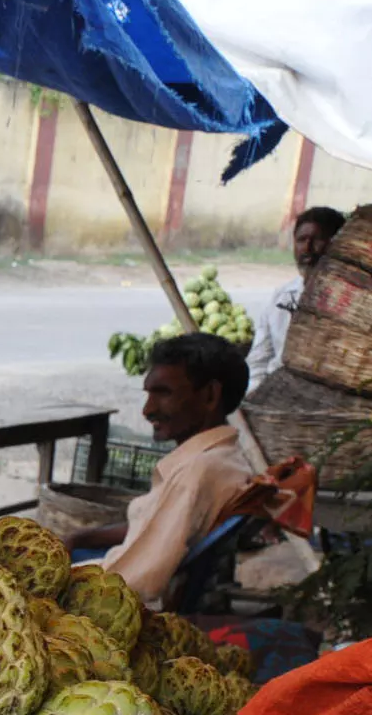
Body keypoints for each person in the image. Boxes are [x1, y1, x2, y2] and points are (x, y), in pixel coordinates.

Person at [66, 333, 269, 608]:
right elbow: (152, 525)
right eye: (149, 394)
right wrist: (80, 537)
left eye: (164, 393)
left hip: (114, 595)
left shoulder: (197, 474)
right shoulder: (222, 458)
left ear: (210, 395)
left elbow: (135, 580)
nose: (147, 410)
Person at [247, 205, 347, 383]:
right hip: (274, 393)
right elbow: (258, 361)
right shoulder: (282, 296)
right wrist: (252, 400)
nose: (307, 248)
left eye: (317, 240)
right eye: (301, 240)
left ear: (337, 244)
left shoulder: (351, 302)